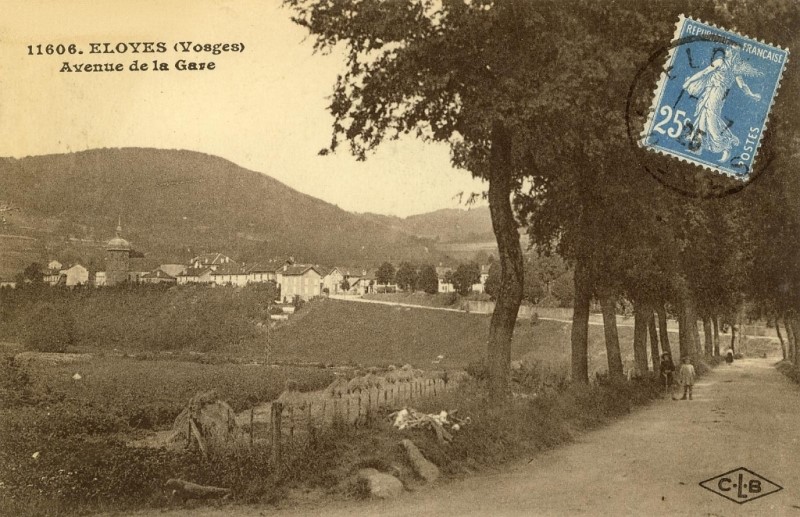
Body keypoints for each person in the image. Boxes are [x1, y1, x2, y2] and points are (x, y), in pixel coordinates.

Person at [683, 47, 762, 162]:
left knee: (711, 119)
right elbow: (705, 72)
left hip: (717, 93)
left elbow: (742, 85)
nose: (726, 51)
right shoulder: (723, 63)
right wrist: (690, 81)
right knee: (703, 117)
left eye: (729, 50)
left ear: (734, 53)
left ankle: (725, 146)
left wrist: (751, 94)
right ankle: (698, 147)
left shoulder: (731, 67)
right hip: (710, 91)